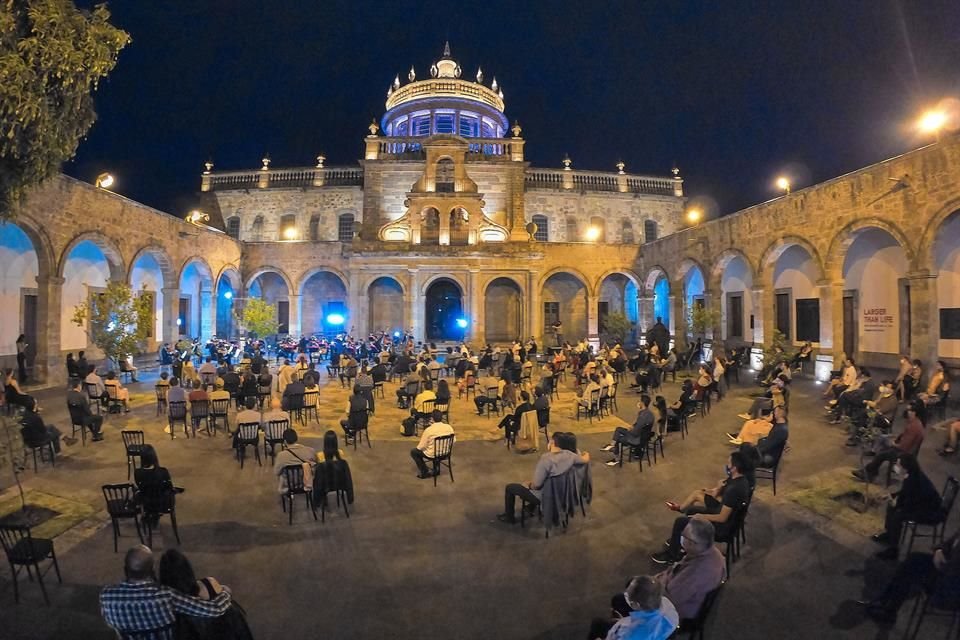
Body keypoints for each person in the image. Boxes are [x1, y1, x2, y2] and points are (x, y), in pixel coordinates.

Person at [607, 519, 725, 624]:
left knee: (620, 600)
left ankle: (628, 629)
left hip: (677, 610)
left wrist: (653, 581)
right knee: (633, 583)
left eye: (684, 536)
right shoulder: (713, 553)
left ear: (693, 543)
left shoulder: (697, 571)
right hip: (684, 597)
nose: (681, 538)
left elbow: (669, 597)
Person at [101, 545, 232, 636]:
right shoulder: (165, 595)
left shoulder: (107, 595)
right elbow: (214, 609)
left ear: (125, 569)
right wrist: (225, 593)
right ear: (152, 571)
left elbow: (111, 625)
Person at [653, 451, 752, 564]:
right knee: (691, 510)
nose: (727, 465)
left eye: (729, 463)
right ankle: (682, 542)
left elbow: (722, 518)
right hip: (725, 514)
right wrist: (717, 489)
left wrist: (702, 516)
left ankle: (672, 556)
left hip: (722, 527)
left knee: (680, 522)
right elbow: (722, 501)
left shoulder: (734, 489)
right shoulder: (740, 480)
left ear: (734, 468)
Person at [859, 529, 960, 624]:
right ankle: (886, 604)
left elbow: (954, 570)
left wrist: (942, 565)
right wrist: (940, 550)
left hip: (951, 587)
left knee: (912, 569)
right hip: (946, 570)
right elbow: (950, 542)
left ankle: (887, 606)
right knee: (914, 559)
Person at [497, 431, 590, 524]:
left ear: (553, 443)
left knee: (510, 488)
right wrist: (586, 453)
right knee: (542, 480)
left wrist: (528, 485)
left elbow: (536, 486)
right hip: (566, 494)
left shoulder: (547, 460)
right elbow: (585, 458)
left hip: (548, 495)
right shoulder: (574, 456)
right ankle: (530, 508)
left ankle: (509, 517)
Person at [870, 453, 942, 560]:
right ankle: (889, 534)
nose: (896, 467)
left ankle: (893, 550)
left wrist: (896, 503)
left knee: (898, 515)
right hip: (922, 504)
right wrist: (892, 496)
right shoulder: (912, 474)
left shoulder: (913, 480)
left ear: (905, 467)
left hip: (929, 511)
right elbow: (906, 493)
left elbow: (910, 503)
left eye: (899, 465)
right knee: (892, 507)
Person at [587, 575, 679, 640]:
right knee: (618, 599)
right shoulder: (667, 605)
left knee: (597, 623)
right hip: (653, 630)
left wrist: (621, 623)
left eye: (628, 594)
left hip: (634, 631)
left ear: (636, 605)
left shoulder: (628, 633)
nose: (625, 594)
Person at [853, 401, 926, 483]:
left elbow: (904, 446)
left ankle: (870, 472)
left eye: (909, 410)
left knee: (882, 452)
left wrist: (893, 443)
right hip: (903, 448)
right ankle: (871, 469)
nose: (907, 412)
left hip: (903, 453)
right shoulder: (915, 423)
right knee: (883, 440)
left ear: (914, 412)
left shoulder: (914, 426)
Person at [601, 395, 655, 467]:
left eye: (639, 401)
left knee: (618, 437)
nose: (638, 403)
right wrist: (633, 426)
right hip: (643, 437)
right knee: (618, 429)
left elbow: (635, 432)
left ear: (642, 403)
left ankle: (616, 457)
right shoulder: (650, 414)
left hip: (636, 439)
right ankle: (612, 445)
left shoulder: (642, 416)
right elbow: (641, 426)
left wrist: (629, 431)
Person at [134, 445, 180, 527]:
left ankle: (148, 515)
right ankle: (155, 515)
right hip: (163, 504)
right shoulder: (163, 471)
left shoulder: (138, 473)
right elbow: (168, 487)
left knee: (138, 492)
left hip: (148, 504)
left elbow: (141, 487)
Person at [411, 409, 455, 478]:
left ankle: (425, 472)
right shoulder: (449, 427)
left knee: (414, 452)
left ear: (432, 418)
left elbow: (420, 447)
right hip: (446, 453)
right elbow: (454, 440)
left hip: (433, 454)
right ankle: (436, 470)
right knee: (437, 447)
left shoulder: (429, 430)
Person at [273, 428, 316, 492]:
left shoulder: (281, 455)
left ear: (285, 441)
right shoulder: (310, 450)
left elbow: (276, 472)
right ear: (296, 438)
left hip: (289, 485)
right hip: (306, 482)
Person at [67, 377, 103, 441]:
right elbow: (87, 410)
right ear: (78, 386)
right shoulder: (81, 396)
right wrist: (91, 414)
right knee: (99, 418)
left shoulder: (69, 395)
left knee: (88, 417)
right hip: (82, 419)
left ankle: (95, 433)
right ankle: (95, 434)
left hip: (74, 419)